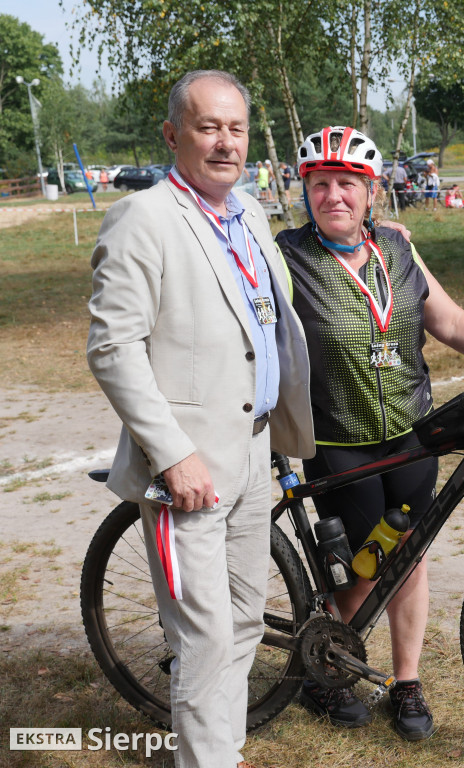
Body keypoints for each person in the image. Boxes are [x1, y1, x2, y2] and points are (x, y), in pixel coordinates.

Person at [275, 125, 464, 741]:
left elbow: (447, 319)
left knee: (411, 554)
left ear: (371, 191)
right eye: (320, 184)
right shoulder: (286, 256)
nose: (333, 196)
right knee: (364, 565)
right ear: (305, 191)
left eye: (347, 184)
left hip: (410, 432)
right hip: (338, 438)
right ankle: (327, 670)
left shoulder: (397, 249)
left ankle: (406, 681)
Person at [86, 70, 315, 768]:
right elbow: (113, 348)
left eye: (236, 128)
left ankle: (220, 750)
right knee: (203, 634)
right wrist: (172, 453)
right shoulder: (143, 218)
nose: (225, 142)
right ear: (172, 134)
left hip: (252, 453)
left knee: (243, 621)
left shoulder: (249, 214)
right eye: (208, 127)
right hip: (186, 470)